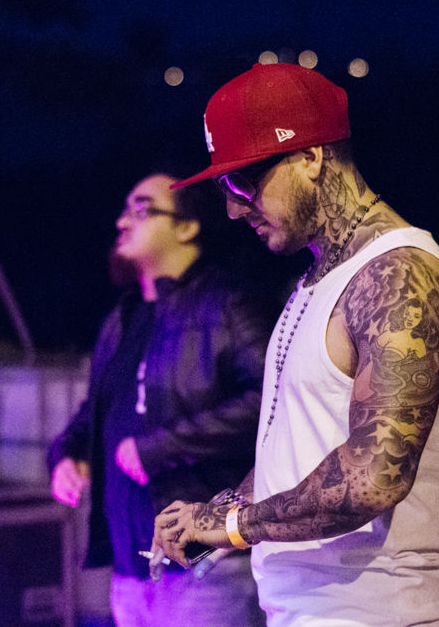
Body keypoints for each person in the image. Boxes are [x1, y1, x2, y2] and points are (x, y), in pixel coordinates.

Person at [151, 63, 439, 627]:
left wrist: (231, 525)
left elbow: (375, 477)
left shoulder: (397, 274)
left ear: (310, 158)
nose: (233, 208)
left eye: (243, 182)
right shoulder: (319, 279)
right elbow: (294, 450)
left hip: (381, 616)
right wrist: (208, 521)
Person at [47, 173, 270, 627]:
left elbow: (269, 403)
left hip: (207, 568)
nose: (123, 221)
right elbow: (95, 415)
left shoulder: (227, 304)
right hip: (130, 574)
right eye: (126, 209)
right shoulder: (122, 318)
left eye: (142, 209)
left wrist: (159, 449)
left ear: (187, 227)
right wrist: (65, 455)